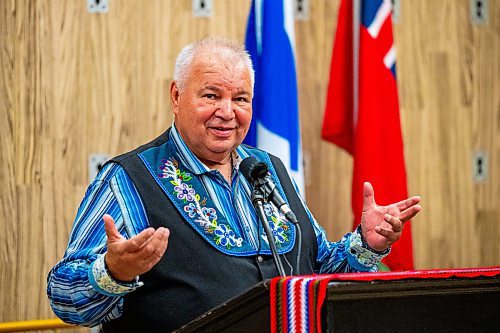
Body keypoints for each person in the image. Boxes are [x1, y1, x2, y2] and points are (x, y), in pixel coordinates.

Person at [47, 37, 421, 332]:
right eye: (211, 95)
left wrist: (366, 244)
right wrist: (113, 270)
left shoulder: (268, 168)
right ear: (176, 96)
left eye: (240, 98)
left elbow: (317, 271)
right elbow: (64, 299)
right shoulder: (128, 178)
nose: (227, 112)